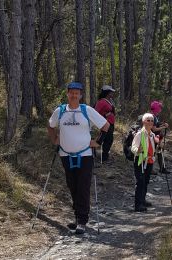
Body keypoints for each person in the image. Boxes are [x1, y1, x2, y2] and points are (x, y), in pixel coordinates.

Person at [47, 82, 110, 234]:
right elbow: (50, 125)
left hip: (85, 155)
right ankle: (77, 217)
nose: (74, 95)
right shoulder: (60, 111)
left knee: (83, 187)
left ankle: (82, 220)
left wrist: (98, 142)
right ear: (67, 94)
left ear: (81, 95)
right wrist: (55, 139)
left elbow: (106, 126)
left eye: (77, 93)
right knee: (72, 186)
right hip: (65, 155)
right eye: (72, 93)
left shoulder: (86, 110)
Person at [131, 113, 159, 212]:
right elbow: (133, 148)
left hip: (149, 161)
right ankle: (138, 205)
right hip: (140, 161)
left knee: (145, 182)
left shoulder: (152, 134)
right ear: (143, 122)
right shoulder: (140, 134)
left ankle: (142, 200)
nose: (151, 122)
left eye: (152, 120)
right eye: (148, 120)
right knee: (140, 182)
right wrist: (138, 150)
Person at [94, 85, 116, 161]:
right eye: (111, 92)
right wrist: (105, 115)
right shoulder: (101, 102)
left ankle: (105, 156)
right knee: (102, 140)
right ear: (107, 93)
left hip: (111, 123)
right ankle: (95, 154)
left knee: (109, 140)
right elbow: (95, 113)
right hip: (105, 124)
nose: (112, 93)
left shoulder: (110, 101)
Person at [150, 100, 170, 174]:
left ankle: (162, 168)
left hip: (156, 137)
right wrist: (163, 127)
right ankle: (151, 169)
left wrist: (163, 125)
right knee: (152, 153)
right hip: (153, 138)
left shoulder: (155, 116)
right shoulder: (153, 117)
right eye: (159, 108)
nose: (160, 110)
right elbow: (154, 129)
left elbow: (156, 125)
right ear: (156, 108)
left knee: (159, 151)